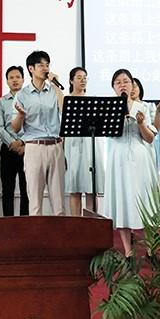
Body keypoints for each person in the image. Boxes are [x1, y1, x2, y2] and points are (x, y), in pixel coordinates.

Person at [103, 69, 158, 257]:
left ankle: (150, 250)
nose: (122, 84)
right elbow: (110, 135)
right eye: (118, 82)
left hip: (140, 156)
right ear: (113, 87)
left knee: (144, 202)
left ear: (132, 84)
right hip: (118, 158)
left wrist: (141, 123)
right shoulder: (109, 107)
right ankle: (128, 251)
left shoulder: (142, 106)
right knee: (123, 201)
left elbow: (150, 138)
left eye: (126, 81)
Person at [12, 50, 65, 216]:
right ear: (31, 68)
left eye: (47, 64)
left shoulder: (54, 91)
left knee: (59, 203)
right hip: (34, 147)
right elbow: (15, 128)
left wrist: (56, 86)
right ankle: (36, 241)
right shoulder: (22, 94)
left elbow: (64, 109)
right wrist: (21, 115)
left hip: (56, 146)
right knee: (35, 202)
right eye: (41, 65)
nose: (45, 68)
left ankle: (60, 241)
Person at [64, 67, 105, 216]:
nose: (83, 80)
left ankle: (92, 226)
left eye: (85, 77)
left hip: (91, 145)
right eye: (79, 77)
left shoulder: (93, 101)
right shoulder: (66, 100)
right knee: (75, 188)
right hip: (73, 146)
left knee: (91, 188)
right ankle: (76, 226)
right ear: (71, 80)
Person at [0, 66, 28, 216]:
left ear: (23, 79)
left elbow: (34, 124)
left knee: (26, 189)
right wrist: (12, 143)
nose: (14, 80)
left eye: (17, 77)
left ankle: (25, 223)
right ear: (7, 81)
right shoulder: (1, 102)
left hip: (27, 149)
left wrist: (22, 142)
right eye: (11, 78)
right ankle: (7, 224)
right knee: (7, 189)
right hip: (8, 149)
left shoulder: (29, 99)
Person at [130, 77, 160, 167]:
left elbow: (156, 129)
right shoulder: (124, 107)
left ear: (140, 88)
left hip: (146, 146)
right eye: (129, 87)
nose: (131, 90)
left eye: (134, 86)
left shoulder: (148, 106)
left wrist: (158, 111)